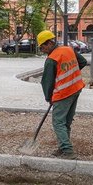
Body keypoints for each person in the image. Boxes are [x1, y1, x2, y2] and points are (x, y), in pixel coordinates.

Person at [37, 30, 88, 159]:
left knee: (58, 122)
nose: (42, 50)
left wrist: (49, 97)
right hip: (76, 89)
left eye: (42, 47)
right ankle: (62, 147)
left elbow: (46, 82)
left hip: (63, 93)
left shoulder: (51, 59)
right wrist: (71, 75)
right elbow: (82, 62)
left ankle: (67, 151)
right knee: (66, 121)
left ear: (49, 43)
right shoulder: (68, 49)